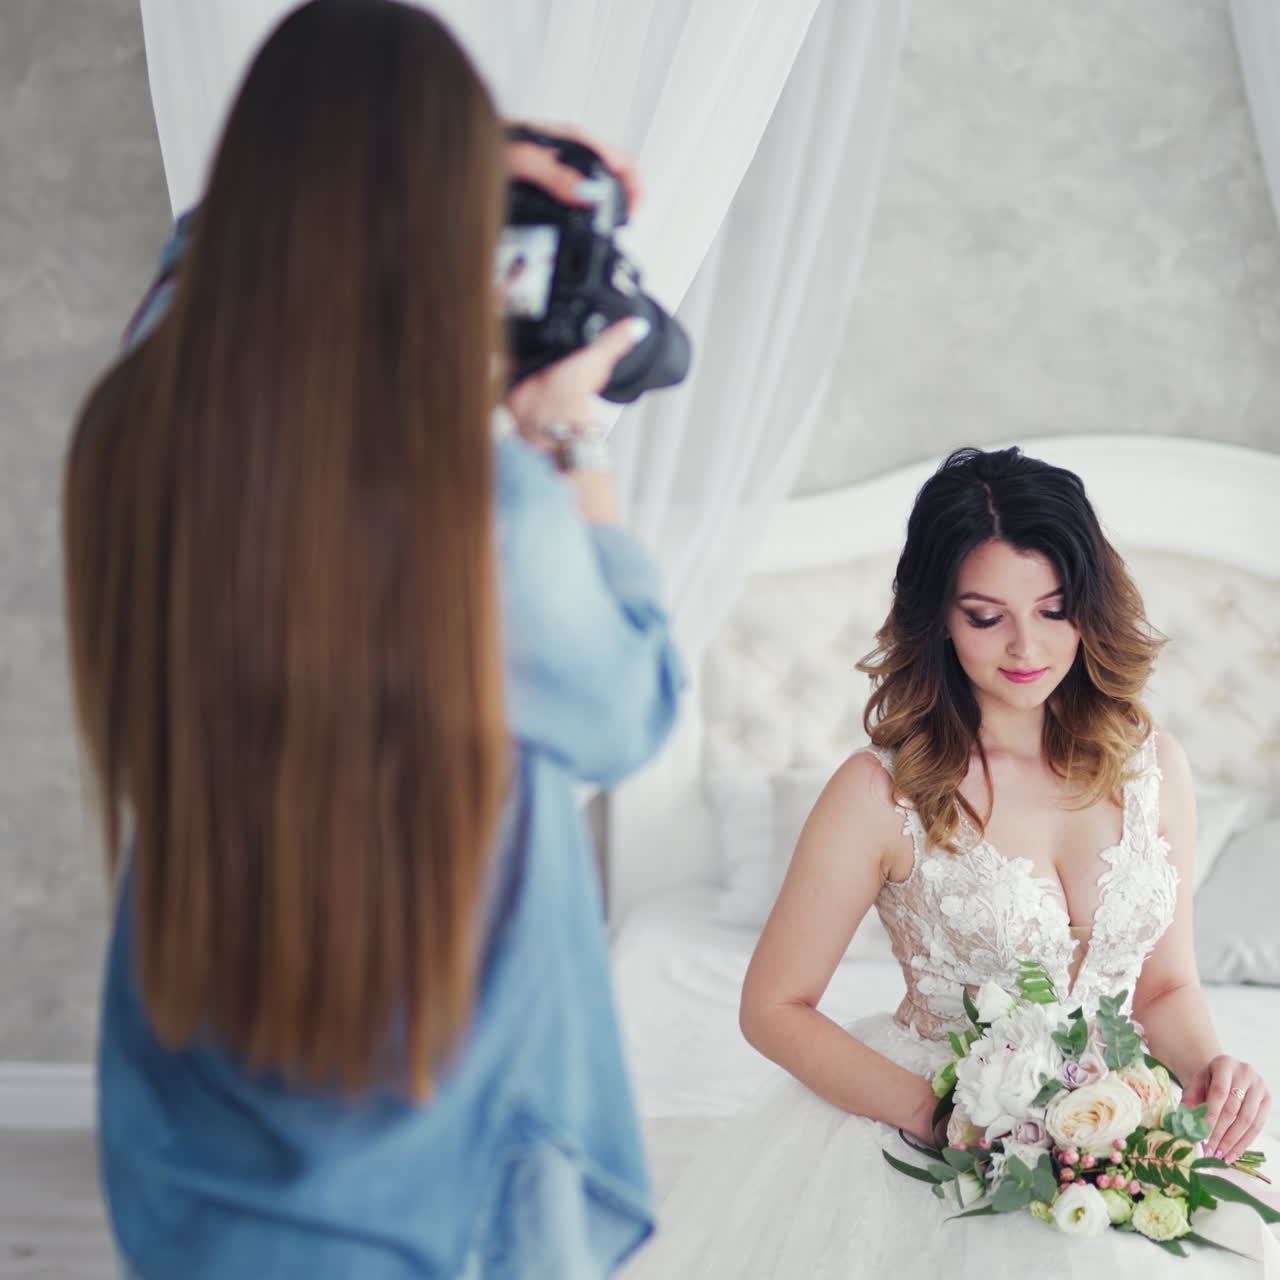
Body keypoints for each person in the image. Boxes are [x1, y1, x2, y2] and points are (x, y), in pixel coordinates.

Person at [61, 2, 682, 1276]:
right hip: (436, 1167)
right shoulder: (477, 502)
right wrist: (566, 438)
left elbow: (202, 284)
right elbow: (632, 706)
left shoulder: (134, 428)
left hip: (190, 1149)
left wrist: (389, 160)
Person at [622, 446, 1278, 1277]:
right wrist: (950, 1121)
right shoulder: (878, 794)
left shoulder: (1155, 767)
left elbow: (1162, 987)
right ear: (937, 615)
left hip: (1115, 1122)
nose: (1025, 645)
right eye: (985, 615)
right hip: (933, 1122)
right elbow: (774, 1007)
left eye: (1053, 608)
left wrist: (1207, 1068)